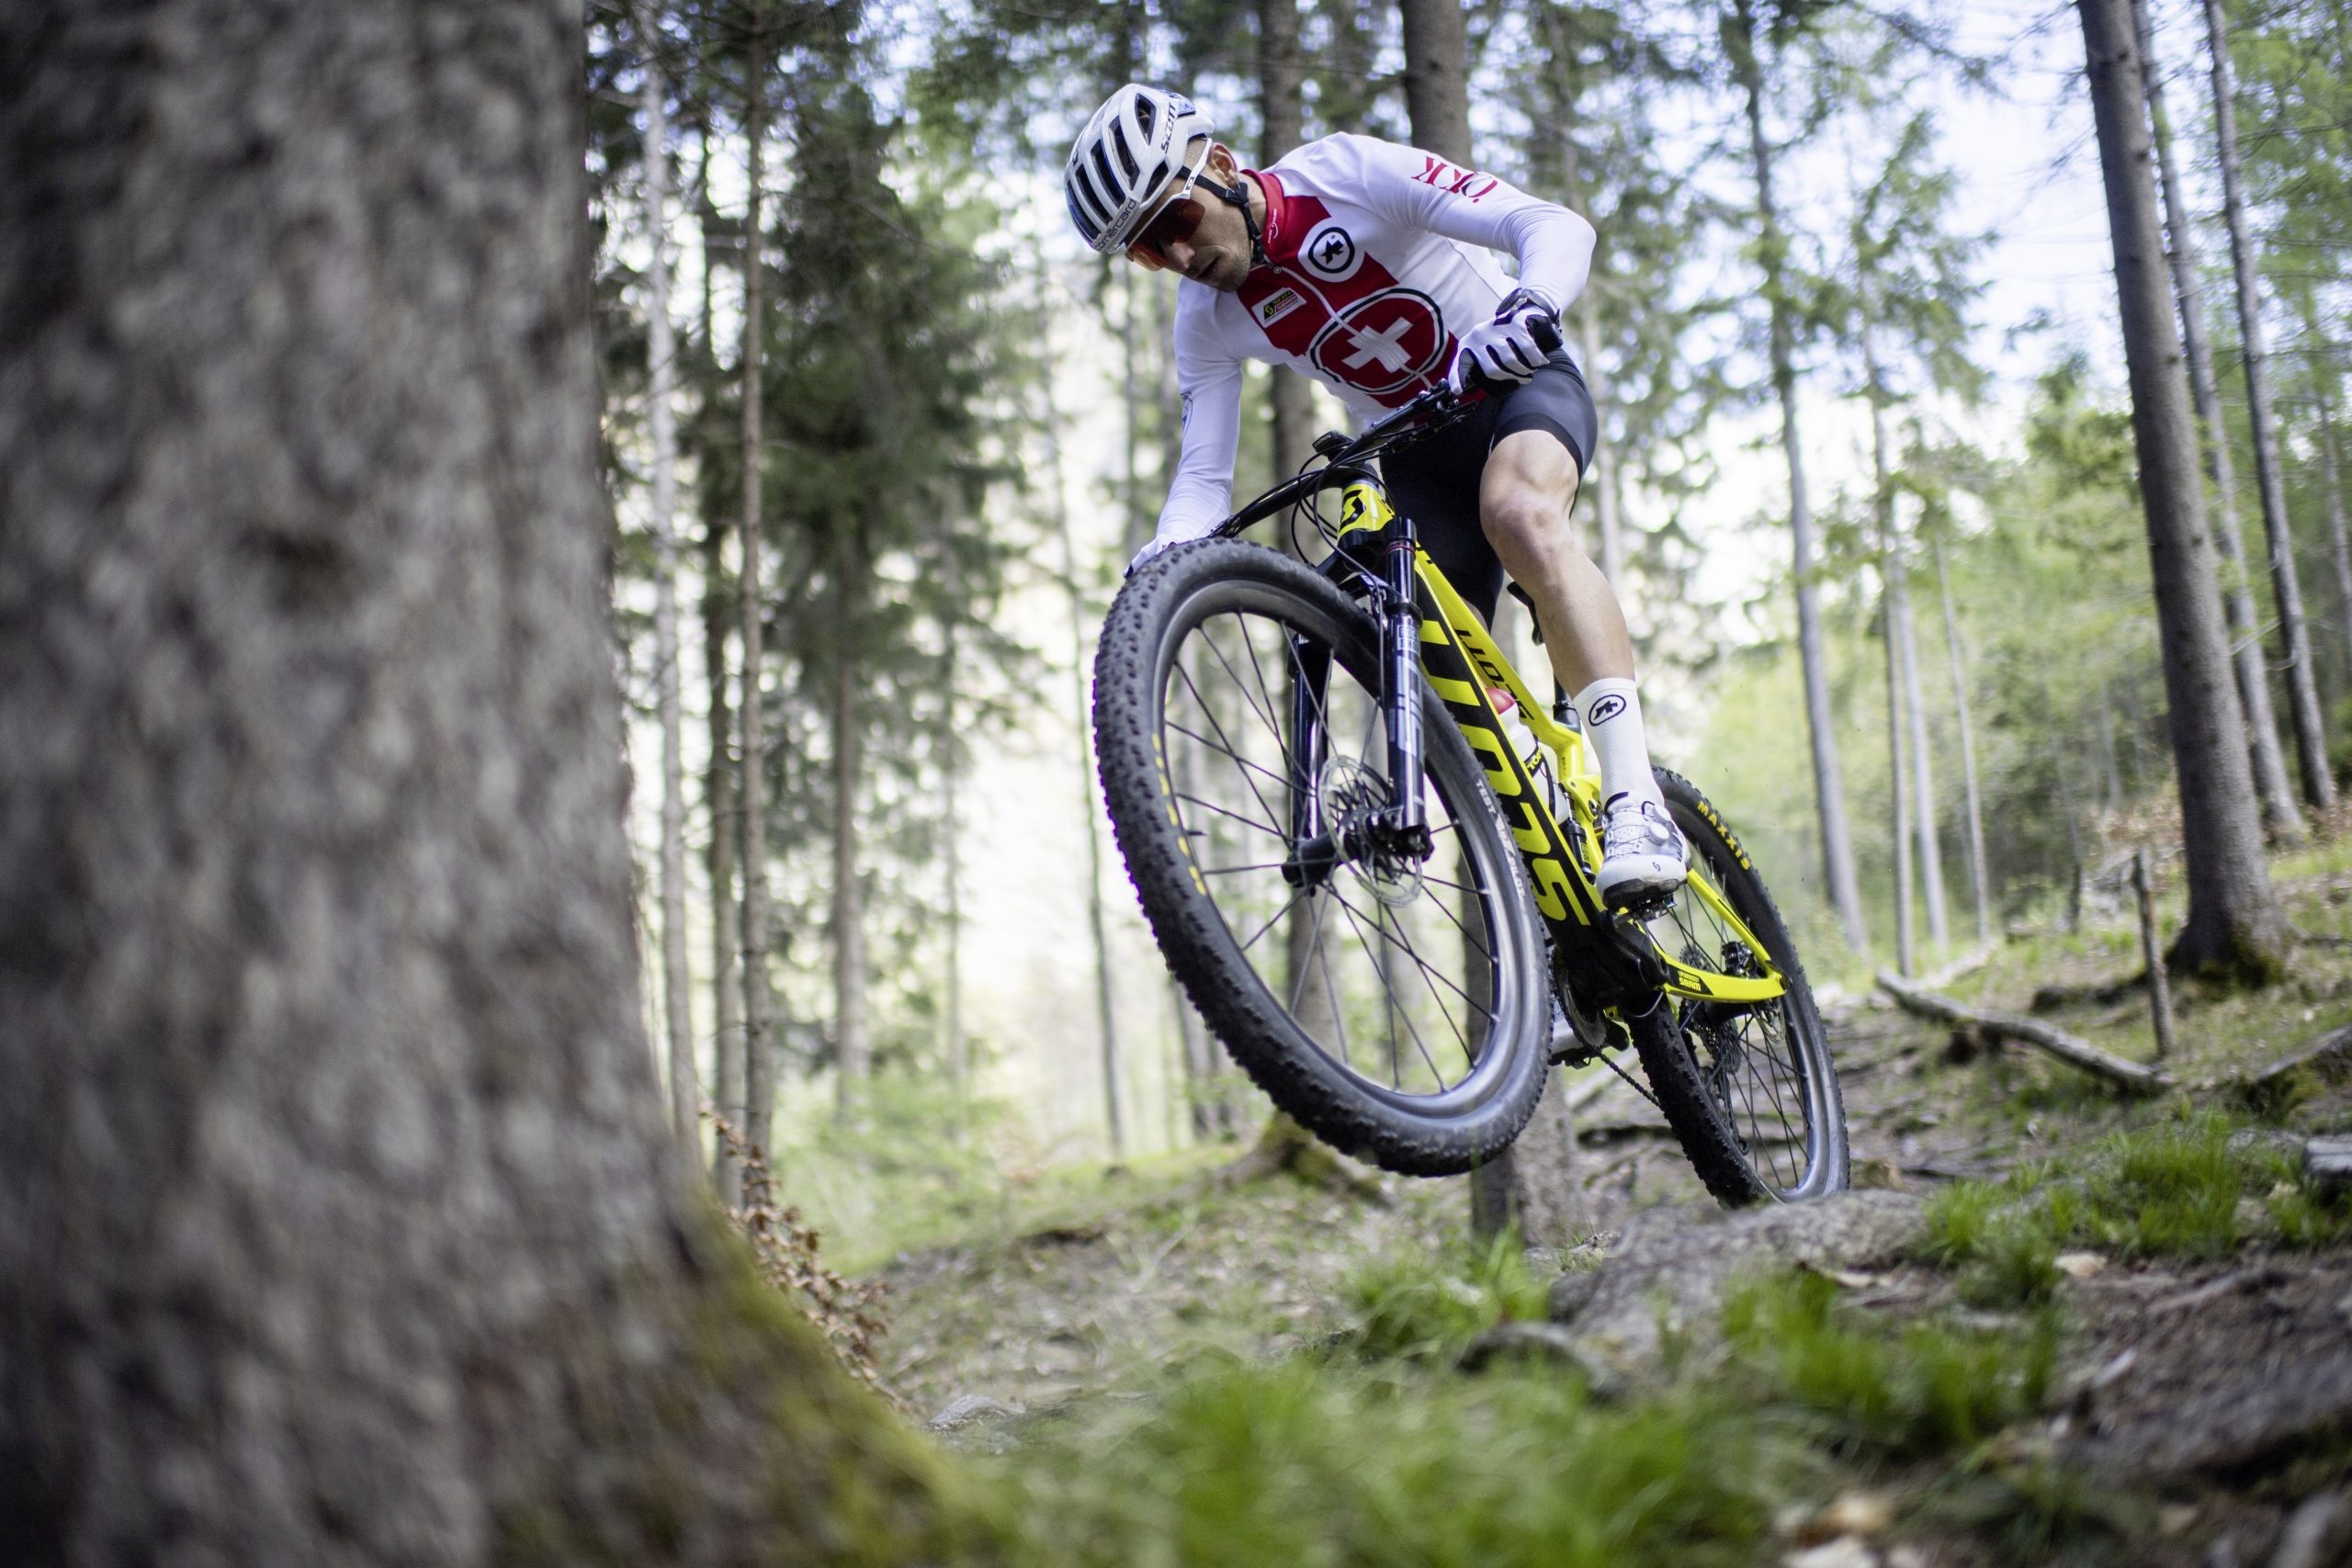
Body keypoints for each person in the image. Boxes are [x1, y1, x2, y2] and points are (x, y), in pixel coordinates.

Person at [1063, 84, 1687, 908]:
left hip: (1516, 385)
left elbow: (1553, 226)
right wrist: (1160, 561)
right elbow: (1203, 479)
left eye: (1174, 224)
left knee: (1520, 513)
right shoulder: (1206, 317)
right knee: (1451, 693)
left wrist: (1529, 305)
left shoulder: (1344, 174)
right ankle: (1560, 926)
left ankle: (1638, 801)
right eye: (1149, 253)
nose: (1179, 259)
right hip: (1417, 456)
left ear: (1217, 163)